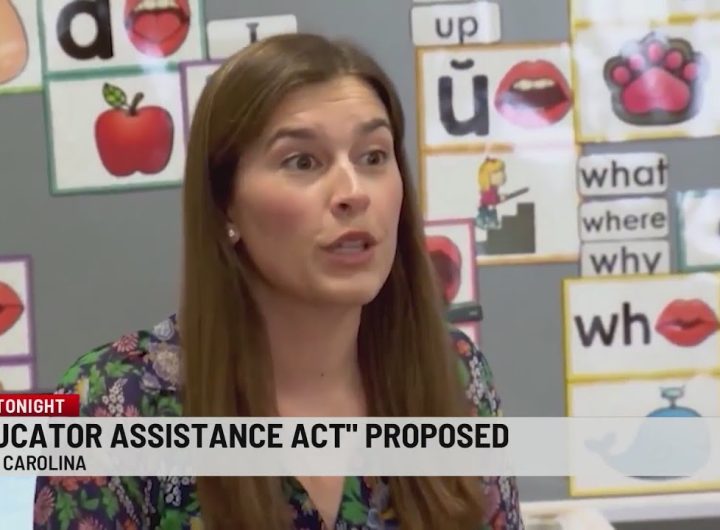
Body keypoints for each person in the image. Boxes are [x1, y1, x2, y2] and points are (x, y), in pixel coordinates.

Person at [33, 33, 523, 530]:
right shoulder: (109, 401)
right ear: (225, 204)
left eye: (373, 156)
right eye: (303, 162)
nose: (353, 192)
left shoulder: (456, 376)